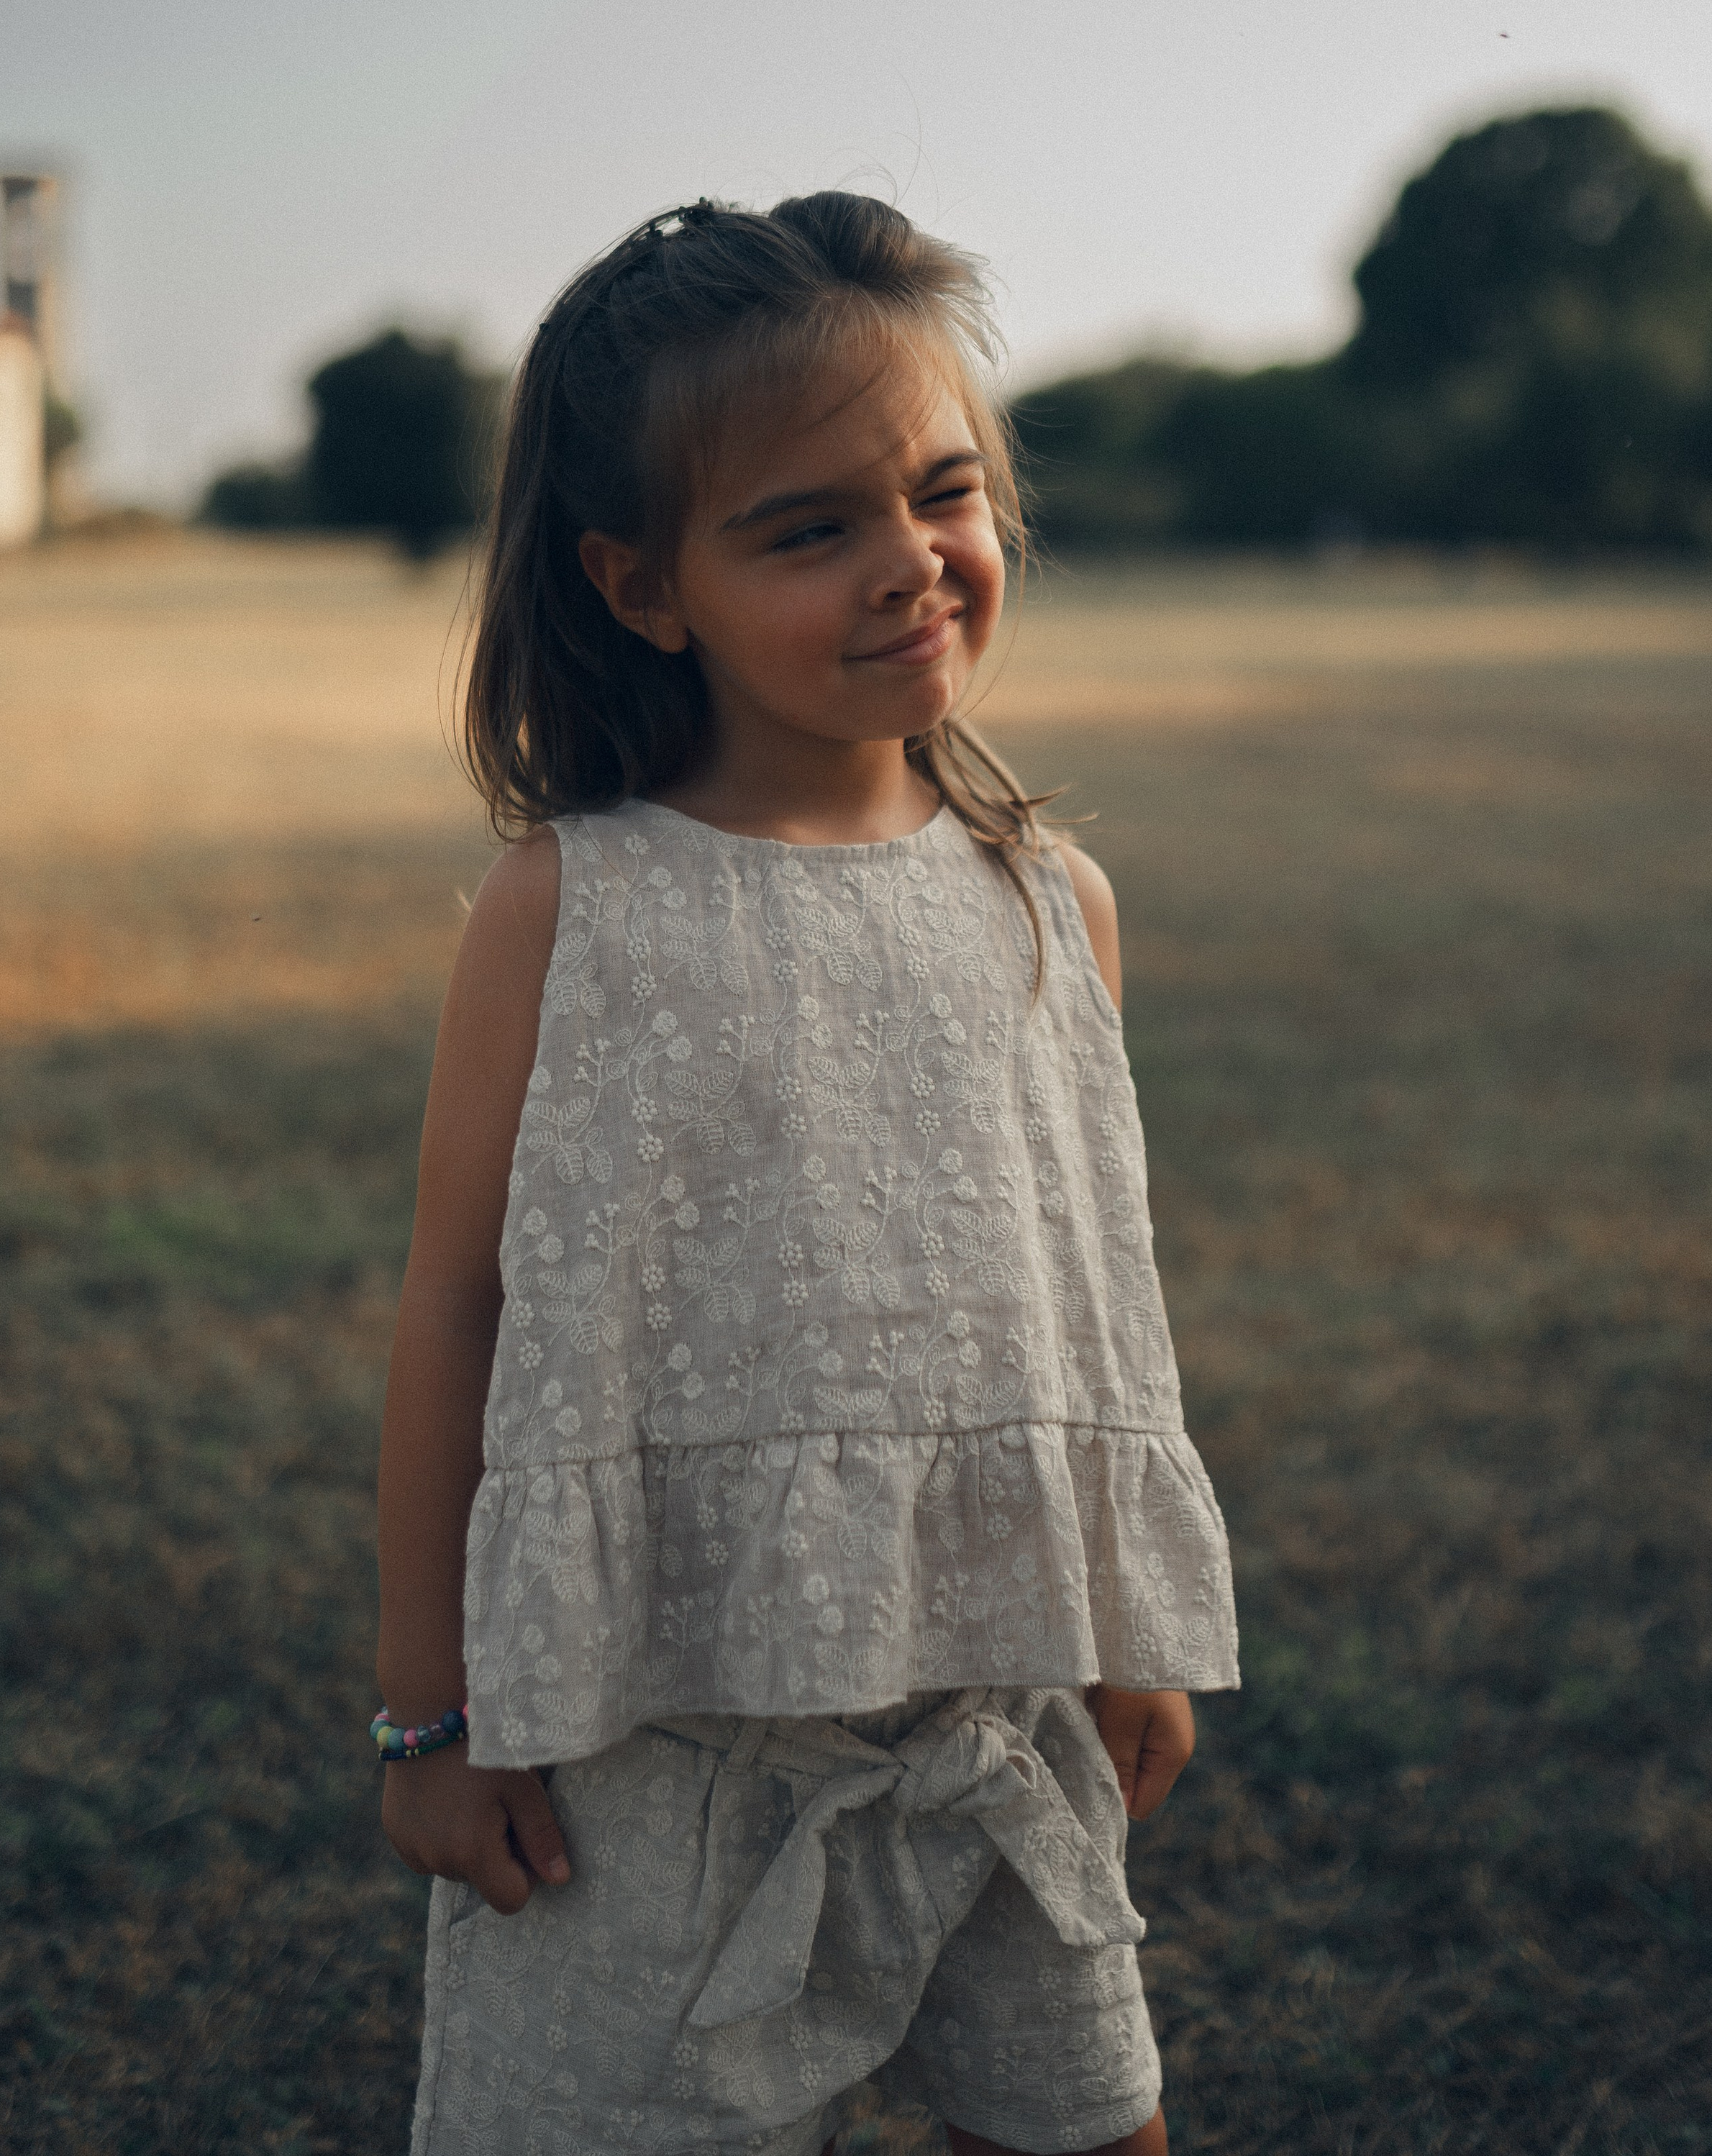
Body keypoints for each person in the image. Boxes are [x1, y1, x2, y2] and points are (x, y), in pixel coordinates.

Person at [375, 195, 1239, 2156]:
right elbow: (458, 1304)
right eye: (806, 527)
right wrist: (424, 1718)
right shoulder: (567, 905)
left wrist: (1123, 1618)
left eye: (944, 490)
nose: (910, 562)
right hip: (646, 1756)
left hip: (993, 1733)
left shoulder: (1052, 903)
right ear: (640, 581)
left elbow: (1085, 1282)